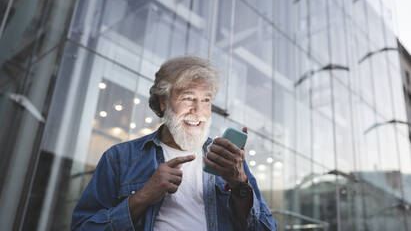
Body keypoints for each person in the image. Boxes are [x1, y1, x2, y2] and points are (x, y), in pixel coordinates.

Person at [71, 55, 277, 230]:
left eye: (206, 100)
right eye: (188, 98)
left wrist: (239, 183)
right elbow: (83, 226)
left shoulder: (229, 161)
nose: (198, 110)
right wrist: (143, 196)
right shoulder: (119, 157)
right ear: (163, 103)